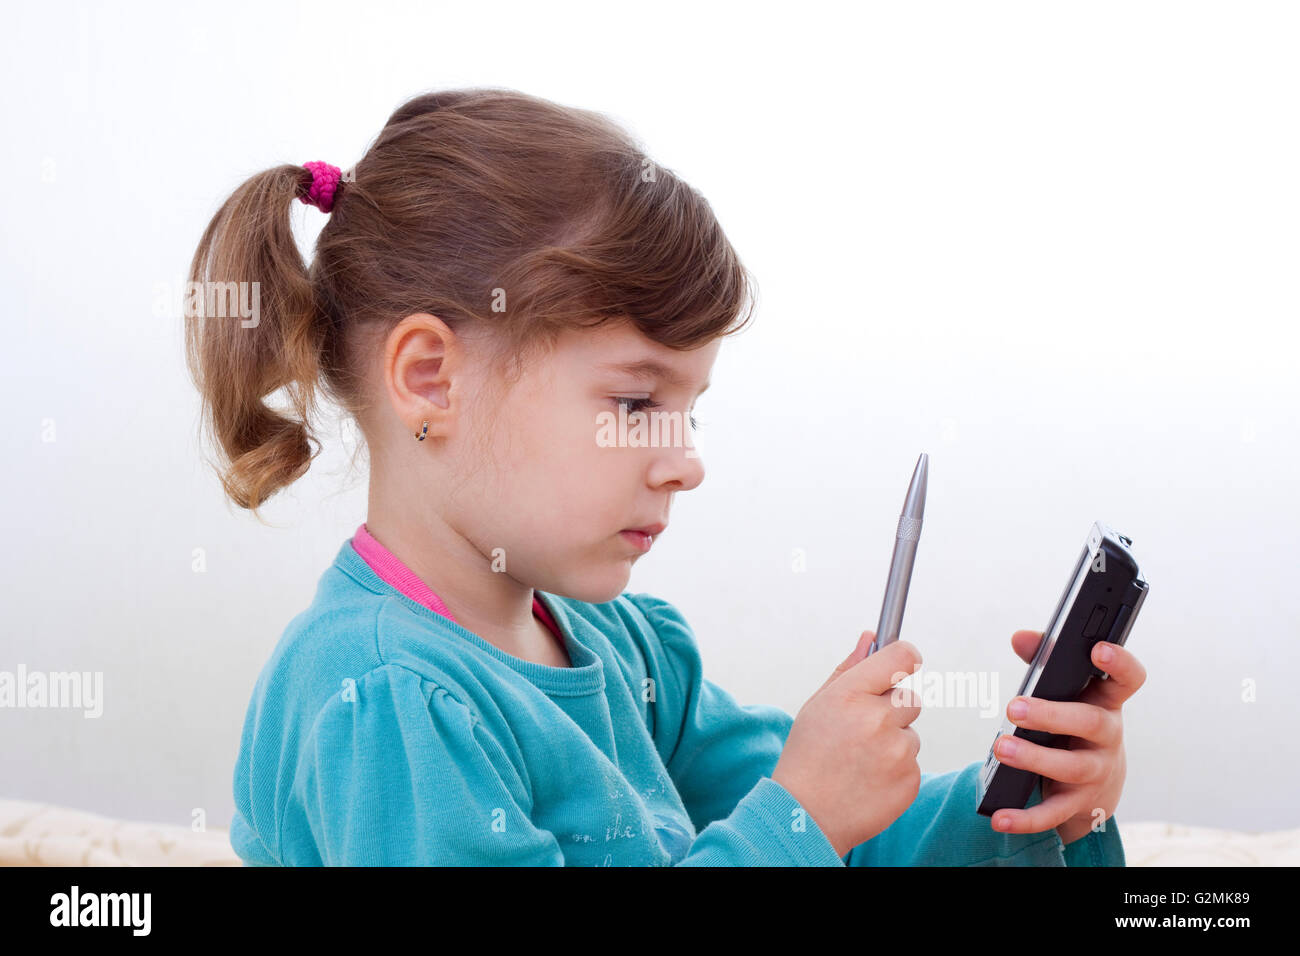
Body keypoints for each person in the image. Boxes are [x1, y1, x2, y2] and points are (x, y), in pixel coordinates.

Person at [185, 88, 1143, 866]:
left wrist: (1022, 802)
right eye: (637, 404)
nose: (685, 462)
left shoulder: (627, 646)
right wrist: (798, 821)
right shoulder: (384, 699)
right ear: (433, 379)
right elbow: (794, 832)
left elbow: (853, 844)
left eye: (691, 408)